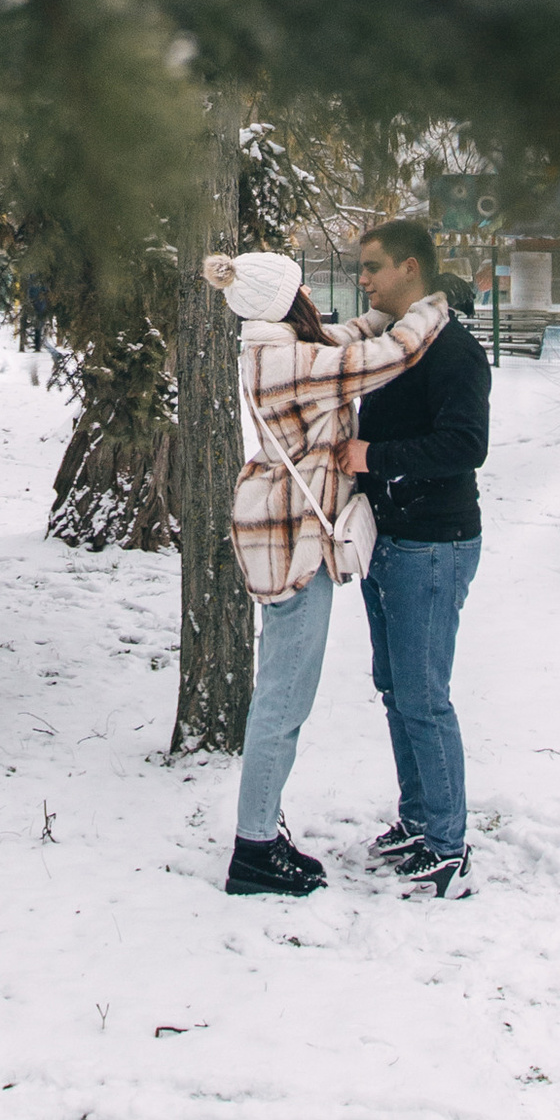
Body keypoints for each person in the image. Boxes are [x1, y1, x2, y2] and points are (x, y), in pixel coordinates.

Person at [202, 247, 451, 900]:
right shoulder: (287, 363)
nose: (312, 294)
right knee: (284, 698)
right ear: (286, 300)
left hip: (291, 536)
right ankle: (255, 850)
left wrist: (393, 308)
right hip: (294, 546)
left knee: (284, 692)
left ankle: (261, 832)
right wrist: (433, 304)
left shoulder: (285, 347)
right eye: (302, 287)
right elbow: (388, 356)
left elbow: (356, 334)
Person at [352, 215, 490, 898]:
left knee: (424, 696)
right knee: (396, 689)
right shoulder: (393, 344)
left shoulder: (453, 351)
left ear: (410, 267)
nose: (363, 279)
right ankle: (418, 822)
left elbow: (466, 445)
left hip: (433, 544)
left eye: (372, 266)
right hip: (388, 537)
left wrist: (371, 457)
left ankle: (447, 848)